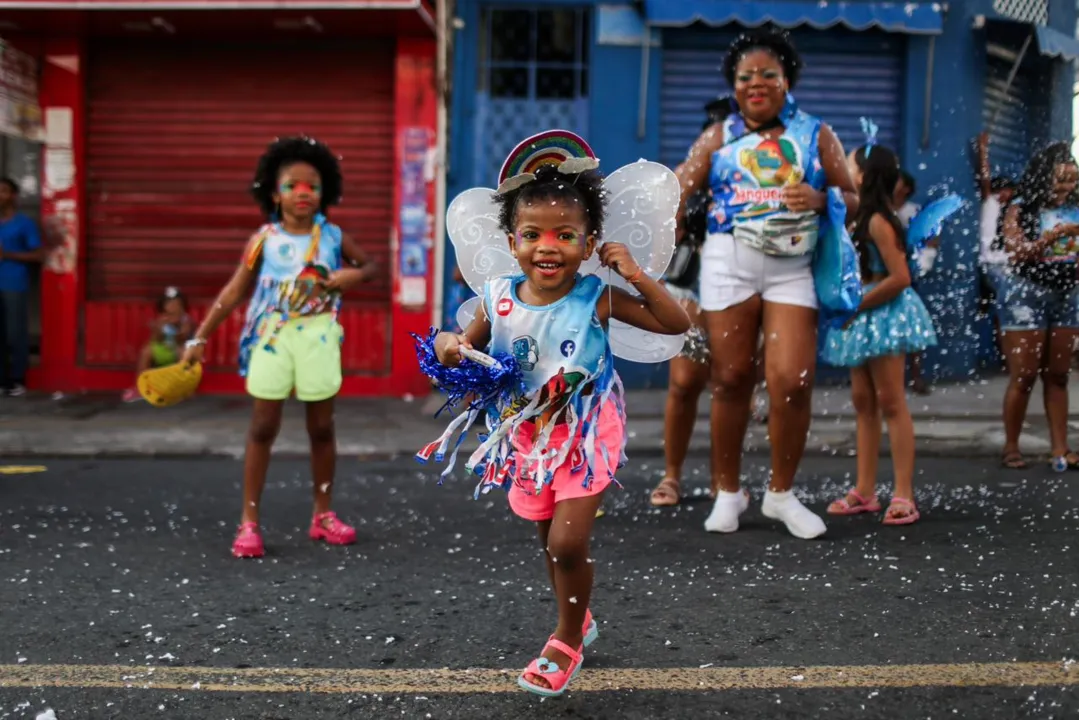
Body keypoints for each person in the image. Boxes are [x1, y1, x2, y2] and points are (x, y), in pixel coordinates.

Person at [430, 156, 689, 695]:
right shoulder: (497, 298)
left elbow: (675, 322)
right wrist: (451, 346)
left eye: (566, 234)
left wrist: (635, 273)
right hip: (526, 440)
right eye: (533, 234)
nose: (548, 246)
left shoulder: (599, 298)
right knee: (550, 542)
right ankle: (580, 617)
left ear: (590, 244)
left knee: (569, 544)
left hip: (585, 434)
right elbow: (452, 347)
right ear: (511, 240)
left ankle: (566, 638)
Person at [674, 28, 858, 538]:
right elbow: (677, 187)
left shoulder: (817, 133)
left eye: (767, 75)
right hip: (728, 260)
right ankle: (727, 493)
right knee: (730, 379)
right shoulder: (717, 136)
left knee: (792, 382)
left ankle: (781, 495)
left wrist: (822, 201)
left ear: (787, 79)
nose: (756, 83)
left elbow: (854, 196)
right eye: (744, 76)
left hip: (793, 268)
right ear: (733, 86)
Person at [180, 137, 375, 557]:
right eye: (292, 186)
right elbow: (234, 292)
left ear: (325, 193)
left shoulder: (334, 237)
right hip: (272, 340)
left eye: (312, 186)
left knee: (322, 428)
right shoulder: (263, 240)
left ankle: (323, 514)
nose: (303, 193)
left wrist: (350, 277)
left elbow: (370, 267)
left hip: (319, 336)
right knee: (263, 427)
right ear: (274, 193)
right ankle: (248, 522)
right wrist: (199, 337)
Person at [823, 144, 937, 525]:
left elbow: (901, 278)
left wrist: (857, 305)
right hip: (864, 312)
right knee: (863, 401)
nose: (844, 169)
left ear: (866, 175)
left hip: (882, 312)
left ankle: (903, 492)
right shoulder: (859, 217)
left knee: (891, 401)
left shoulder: (877, 221)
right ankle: (865, 490)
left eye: (851, 165)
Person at [993, 142, 1079, 471]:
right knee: (1025, 375)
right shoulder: (1019, 207)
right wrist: (1054, 235)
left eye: (1072, 180)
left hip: (1067, 294)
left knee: (1058, 375)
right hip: (1025, 294)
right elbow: (1017, 251)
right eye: (1060, 180)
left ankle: (1060, 448)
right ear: (1042, 178)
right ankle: (1011, 446)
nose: (1066, 187)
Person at [973, 132, 1016, 361]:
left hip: (1004, 265)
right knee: (1003, 308)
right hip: (991, 264)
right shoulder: (990, 202)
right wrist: (983, 151)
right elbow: (985, 177)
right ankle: (1004, 356)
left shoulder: (1013, 212)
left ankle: (1005, 356)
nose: (1006, 195)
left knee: (1004, 312)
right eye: (1004, 190)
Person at [0, 177, 44, 397]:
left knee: (15, 333)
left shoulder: (23, 223)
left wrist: (7, 254)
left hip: (14, 284)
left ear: (13, 196)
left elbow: (38, 254)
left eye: (4, 191)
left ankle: (17, 379)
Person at [122, 286, 194, 402]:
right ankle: (140, 387)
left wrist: (178, 327)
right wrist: (159, 328)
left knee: (184, 353)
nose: (172, 307)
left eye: (176, 304)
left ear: (182, 306)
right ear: (163, 306)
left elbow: (184, 336)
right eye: (169, 304)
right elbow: (155, 339)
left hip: (178, 348)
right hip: (163, 349)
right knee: (146, 351)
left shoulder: (185, 320)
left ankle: (185, 389)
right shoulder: (161, 320)